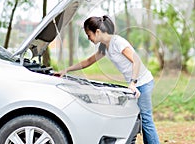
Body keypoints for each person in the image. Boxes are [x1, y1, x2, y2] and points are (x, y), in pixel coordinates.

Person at [55, 15, 160, 144]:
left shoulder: (118, 42)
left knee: (146, 119)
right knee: (137, 119)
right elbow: (89, 61)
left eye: (89, 35)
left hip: (143, 82)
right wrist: (66, 70)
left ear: (97, 32)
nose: (89, 38)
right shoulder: (105, 46)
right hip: (136, 84)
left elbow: (136, 61)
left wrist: (133, 83)